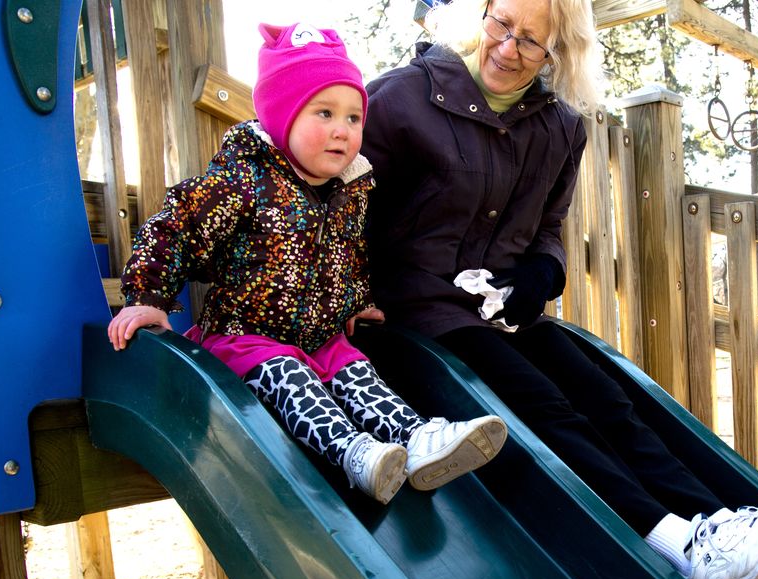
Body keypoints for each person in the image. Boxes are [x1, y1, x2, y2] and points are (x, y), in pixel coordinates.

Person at [361, 0, 758, 579]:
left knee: (604, 395)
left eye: (532, 42)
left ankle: (721, 526)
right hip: (419, 321)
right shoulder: (399, 100)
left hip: (501, 314)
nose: (508, 48)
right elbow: (337, 203)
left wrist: (543, 271)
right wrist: (347, 298)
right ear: (480, 13)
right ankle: (676, 546)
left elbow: (548, 226)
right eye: (501, 24)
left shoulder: (559, 128)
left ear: (557, 54)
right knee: (545, 404)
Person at [107, 22, 507, 505]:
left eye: (355, 118)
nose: (343, 130)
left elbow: (351, 252)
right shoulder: (243, 182)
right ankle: (356, 454)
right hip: (244, 339)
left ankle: (418, 438)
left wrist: (357, 301)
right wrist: (149, 298)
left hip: (320, 336)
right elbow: (176, 229)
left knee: (359, 373)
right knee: (291, 379)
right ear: (283, 115)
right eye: (324, 113)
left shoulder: (350, 189)